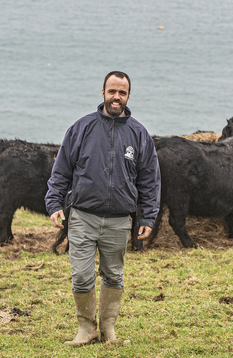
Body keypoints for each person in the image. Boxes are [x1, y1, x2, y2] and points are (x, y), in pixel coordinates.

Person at [45, 71, 160, 346]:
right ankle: (86, 329)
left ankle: (108, 330)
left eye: (122, 92)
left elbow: (150, 180)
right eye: (112, 91)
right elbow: (61, 171)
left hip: (120, 220)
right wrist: (54, 203)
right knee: (81, 275)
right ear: (103, 93)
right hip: (83, 216)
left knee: (114, 275)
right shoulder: (81, 128)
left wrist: (148, 216)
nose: (116, 97)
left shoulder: (139, 134)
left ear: (128, 96)